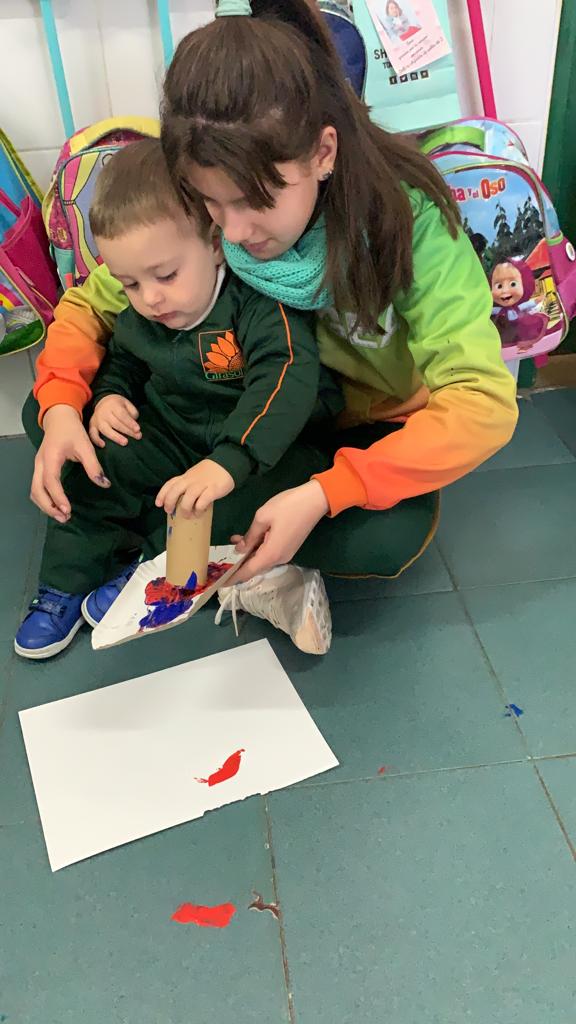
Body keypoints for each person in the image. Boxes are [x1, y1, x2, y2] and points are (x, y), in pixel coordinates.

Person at [23, 0, 517, 630]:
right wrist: (63, 408)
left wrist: (325, 493)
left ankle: (165, 531)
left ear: (323, 153)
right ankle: (193, 529)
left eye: (255, 201)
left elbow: (482, 403)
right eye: (212, 204)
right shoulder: (208, 194)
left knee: (381, 538)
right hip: (232, 410)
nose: (232, 232)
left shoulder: (411, 228)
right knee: (51, 415)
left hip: (336, 433)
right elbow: (90, 305)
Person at [15, 139, 340, 659]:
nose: (150, 298)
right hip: (173, 434)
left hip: (260, 450)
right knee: (93, 467)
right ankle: (63, 583)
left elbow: (284, 380)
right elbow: (122, 355)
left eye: (165, 275)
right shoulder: (143, 312)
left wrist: (229, 462)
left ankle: (149, 566)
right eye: (129, 284)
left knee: (239, 509)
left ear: (215, 244)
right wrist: (110, 396)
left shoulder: (256, 304)